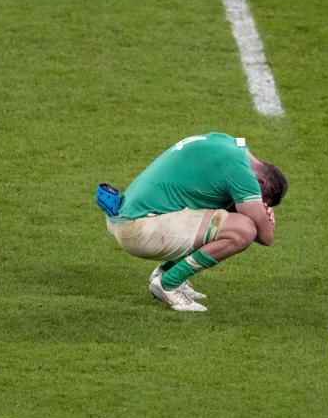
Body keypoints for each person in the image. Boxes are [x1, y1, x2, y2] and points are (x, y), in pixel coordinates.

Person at [101, 132, 287, 312]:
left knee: (225, 217)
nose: (258, 204)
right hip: (137, 228)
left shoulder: (230, 144)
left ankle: (166, 273)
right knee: (243, 230)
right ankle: (168, 284)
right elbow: (266, 237)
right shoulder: (241, 172)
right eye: (260, 199)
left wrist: (258, 211)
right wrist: (265, 217)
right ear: (260, 183)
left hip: (129, 216)